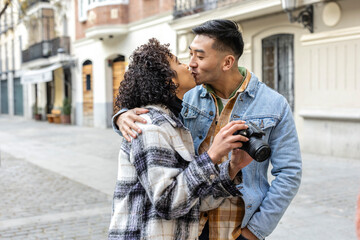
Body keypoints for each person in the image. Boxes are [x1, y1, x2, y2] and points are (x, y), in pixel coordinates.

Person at [114, 20, 302, 240]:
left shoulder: (274, 104)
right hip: (186, 225)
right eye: (190, 54)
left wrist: (254, 232)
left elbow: (289, 173)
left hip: (236, 228)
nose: (191, 63)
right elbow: (150, 120)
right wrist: (122, 115)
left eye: (200, 57)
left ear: (227, 62)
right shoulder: (185, 95)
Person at [108, 38, 254, 240]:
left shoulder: (171, 123)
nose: (188, 65)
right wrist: (212, 155)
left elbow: (192, 199)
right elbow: (167, 203)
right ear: (169, 79)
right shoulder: (149, 126)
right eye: (178, 62)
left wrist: (232, 169)